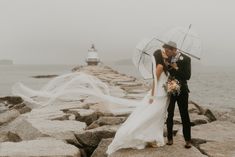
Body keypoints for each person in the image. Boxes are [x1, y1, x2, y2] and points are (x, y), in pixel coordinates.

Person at [106, 45, 172, 155]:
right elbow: (155, 82)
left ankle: (152, 138)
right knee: (150, 116)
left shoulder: (165, 65)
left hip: (164, 95)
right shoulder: (160, 66)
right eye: (163, 52)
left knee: (158, 117)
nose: (165, 52)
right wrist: (152, 96)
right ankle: (135, 134)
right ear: (159, 56)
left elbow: (165, 79)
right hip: (158, 96)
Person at [164, 41, 192, 149]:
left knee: (184, 114)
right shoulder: (168, 59)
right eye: (166, 50)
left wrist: (176, 68)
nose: (167, 52)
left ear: (174, 50)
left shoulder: (186, 59)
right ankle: (170, 138)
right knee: (169, 112)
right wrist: (167, 66)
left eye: (168, 50)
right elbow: (166, 73)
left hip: (183, 89)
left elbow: (187, 76)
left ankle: (188, 140)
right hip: (171, 86)